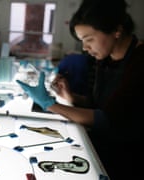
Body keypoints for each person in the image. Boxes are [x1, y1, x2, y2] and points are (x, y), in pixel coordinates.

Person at [16, 0, 144, 179]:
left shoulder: (140, 61)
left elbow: (110, 120)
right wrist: (71, 97)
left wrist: (49, 104)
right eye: (82, 41)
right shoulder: (104, 59)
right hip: (100, 147)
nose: (84, 48)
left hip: (127, 160)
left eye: (89, 39)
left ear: (117, 30)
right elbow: (98, 104)